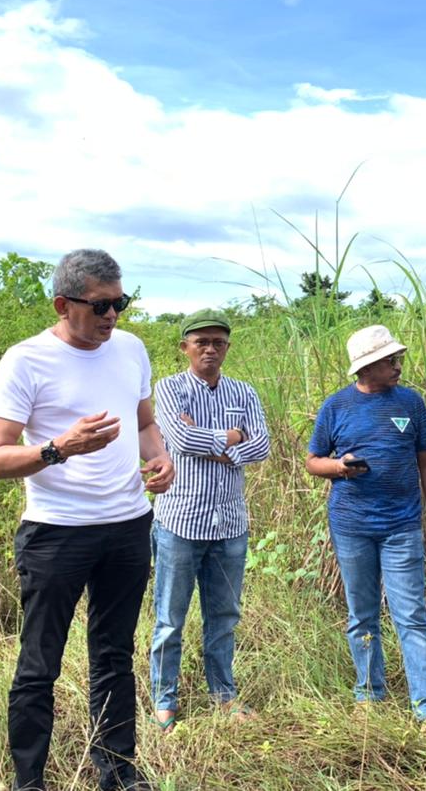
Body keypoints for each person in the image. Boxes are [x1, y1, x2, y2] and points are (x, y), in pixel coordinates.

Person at [0, 249, 175, 791]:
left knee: (115, 653)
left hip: (128, 525)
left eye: (121, 303)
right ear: (63, 304)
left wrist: (159, 458)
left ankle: (119, 774)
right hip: (56, 531)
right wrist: (58, 449)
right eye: (100, 307)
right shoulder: (25, 360)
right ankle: (29, 782)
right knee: (39, 663)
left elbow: (144, 423)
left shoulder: (131, 349)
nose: (113, 316)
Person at [305, 324, 426, 734]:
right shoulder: (337, 407)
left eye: (397, 358)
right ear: (366, 367)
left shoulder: (411, 404)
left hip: (402, 525)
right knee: (361, 614)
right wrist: (338, 468)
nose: (398, 365)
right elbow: (313, 460)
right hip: (351, 526)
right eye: (389, 360)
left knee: (412, 614)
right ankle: (368, 693)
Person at [148, 309, 270, 730]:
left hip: (230, 525)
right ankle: (165, 699)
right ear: (185, 347)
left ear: (228, 347)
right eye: (201, 342)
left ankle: (223, 693)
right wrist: (233, 436)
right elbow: (179, 440)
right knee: (170, 617)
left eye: (218, 342)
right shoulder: (169, 389)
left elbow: (261, 447)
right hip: (180, 520)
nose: (210, 349)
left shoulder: (244, 393)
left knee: (224, 617)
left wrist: (218, 443)